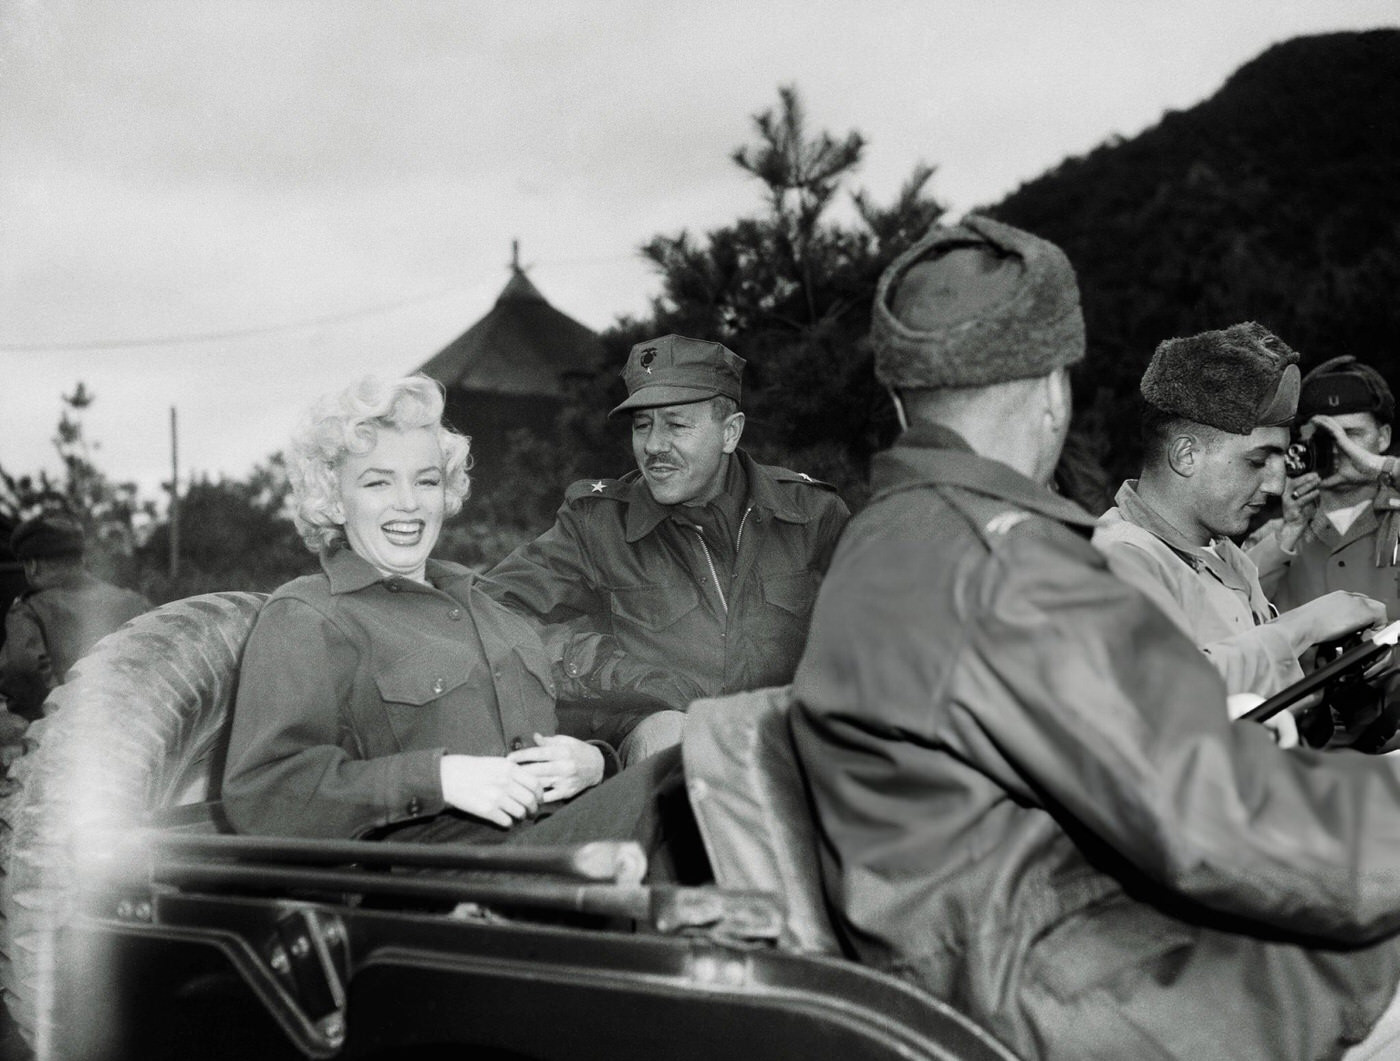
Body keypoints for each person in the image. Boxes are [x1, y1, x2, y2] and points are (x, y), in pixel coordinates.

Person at [789, 214, 1400, 1060]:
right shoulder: (1010, 568)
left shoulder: (887, 537)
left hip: (994, 956)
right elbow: (1216, 810)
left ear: (902, 397)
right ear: (1051, 392)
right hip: (1061, 985)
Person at [222, 376, 684, 861]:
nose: (409, 502)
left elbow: (552, 728)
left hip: (567, 857)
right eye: (378, 481)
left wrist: (595, 763)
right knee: (723, 760)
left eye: (426, 480)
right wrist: (438, 779)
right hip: (448, 886)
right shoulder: (308, 616)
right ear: (335, 500)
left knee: (709, 748)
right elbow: (264, 796)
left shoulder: (489, 607)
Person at [484, 334, 850, 763]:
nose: (654, 445)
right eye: (643, 426)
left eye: (676, 425)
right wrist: (616, 672)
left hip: (789, 747)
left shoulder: (811, 516)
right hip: (662, 755)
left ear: (730, 433)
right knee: (671, 737)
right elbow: (491, 613)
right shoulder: (599, 525)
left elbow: (882, 642)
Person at [1093, 324, 1385, 706]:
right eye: (1258, 461)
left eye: (1281, 459)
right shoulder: (1116, 560)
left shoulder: (1226, 556)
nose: (1276, 486)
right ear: (1186, 455)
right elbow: (1160, 695)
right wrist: (1303, 626)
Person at [1250, 356, 1400, 620]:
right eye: (1325, 437)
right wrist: (1289, 532)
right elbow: (1230, 612)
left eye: (1351, 435)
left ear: (1384, 437)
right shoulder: (1273, 538)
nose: (1337, 448)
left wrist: (1384, 467)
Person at [0, 513, 149, 720]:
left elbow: (23, 671)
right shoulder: (134, 602)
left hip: (66, 735)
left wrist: (51, 716)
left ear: (33, 565)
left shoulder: (29, 611)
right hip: (132, 726)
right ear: (81, 559)